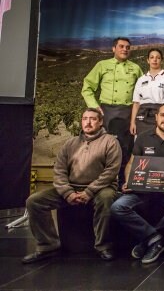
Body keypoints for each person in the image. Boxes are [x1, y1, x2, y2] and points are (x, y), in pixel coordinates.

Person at [22, 108, 121, 264]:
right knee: (33, 201)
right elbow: (59, 170)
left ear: (100, 121)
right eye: (84, 119)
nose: (88, 122)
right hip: (72, 188)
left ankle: (103, 246)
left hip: (100, 188)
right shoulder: (70, 143)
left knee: (106, 198)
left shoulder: (110, 142)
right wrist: (67, 192)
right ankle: (48, 245)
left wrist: (89, 192)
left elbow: (111, 172)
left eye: (92, 119)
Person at [111, 102, 164, 264]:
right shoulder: (143, 137)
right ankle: (155, 238)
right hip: (142, 190)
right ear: (156, 117)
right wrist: (128, 181)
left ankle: (148, 240)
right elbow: (132, 163)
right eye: (163, 115)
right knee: (118, 207)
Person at [82, 37, 143, 186]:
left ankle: (123, 184)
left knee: (125, 150)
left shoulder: (135, 68)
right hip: (106, 112)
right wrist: (95, 107)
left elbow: (143, 91)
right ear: (113, 49)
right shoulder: (102, 65)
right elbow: (87, 87)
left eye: (128, 47)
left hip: (128, 113)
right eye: (121, 46)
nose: (125, 49)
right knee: (103, 149)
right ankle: (100, 184)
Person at [130, 49, 164, 135]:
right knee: (143, 144)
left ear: (161, 60)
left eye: (158, 58)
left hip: (160, 115)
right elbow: (136, 103)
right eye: (152, 57)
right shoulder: (141, 79)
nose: (154, 60)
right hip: (142, 116)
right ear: (148, 60)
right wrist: (132, 122)